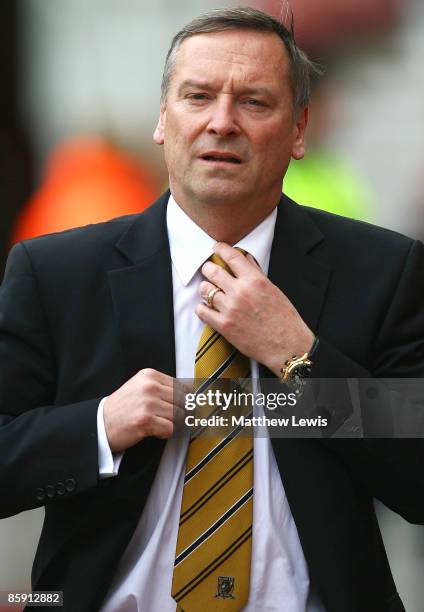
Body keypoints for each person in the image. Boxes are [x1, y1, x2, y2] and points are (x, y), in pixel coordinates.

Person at [0, 7, 423, 612]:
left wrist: (299, 359)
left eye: (253, 102)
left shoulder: (383, 272)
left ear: (299, 129)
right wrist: (100, 426)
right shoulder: (56, 274)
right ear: (163, 120)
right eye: (198, 97)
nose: (221, 123)